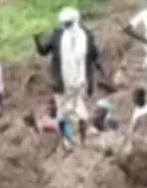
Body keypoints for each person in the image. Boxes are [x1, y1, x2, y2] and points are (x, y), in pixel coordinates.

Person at [36, 8, 106, 147]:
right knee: (79, 111)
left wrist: (36, 40)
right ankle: (83, 139)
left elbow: (42, 51)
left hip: (62, 82)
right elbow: (94, 55)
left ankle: (70, 141)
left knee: (64, 112)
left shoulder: (56, 35)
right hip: (80, 82)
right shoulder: (86, 34)